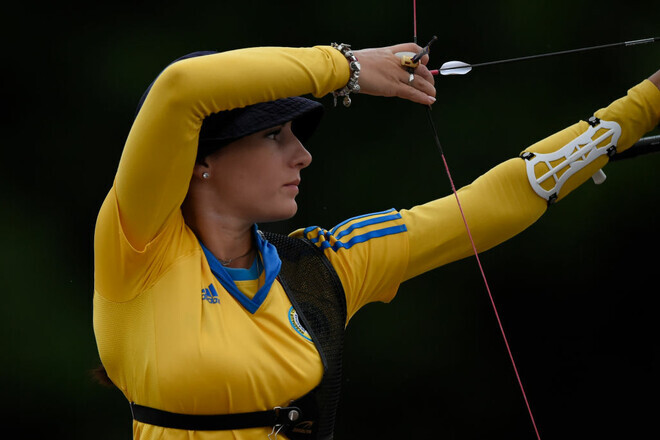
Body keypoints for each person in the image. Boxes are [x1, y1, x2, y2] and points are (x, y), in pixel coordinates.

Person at [92, 40, 660, 440]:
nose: (302, 155)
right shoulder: (138, 248)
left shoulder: (323, 267)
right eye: (272, 135)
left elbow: (494, 201)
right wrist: (348, 67)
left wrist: (647, 103)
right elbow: (181, 86)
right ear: (201, 161)